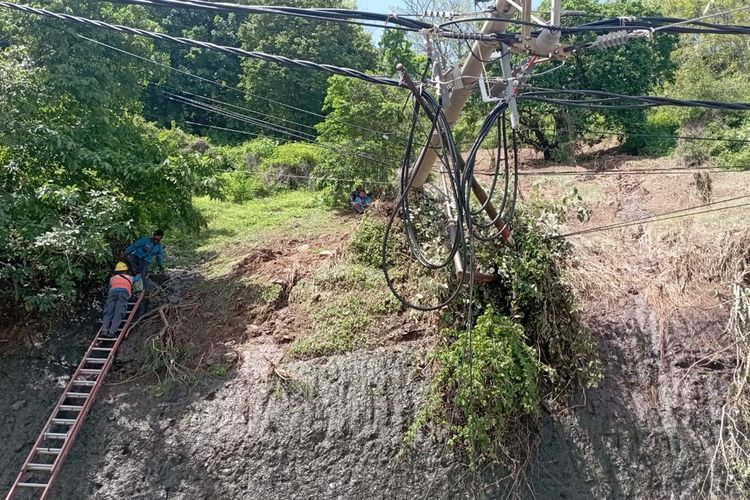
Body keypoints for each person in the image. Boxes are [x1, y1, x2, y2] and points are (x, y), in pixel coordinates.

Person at [101, 262, 133, 338]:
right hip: (124, 293)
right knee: (118, 312)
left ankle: (104, 330)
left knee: (108, 312)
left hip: (112, 292)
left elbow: (110, 287)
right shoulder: (130, 278)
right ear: (126, 270)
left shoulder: (112, 279)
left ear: (116, 271)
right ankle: (112, 332)